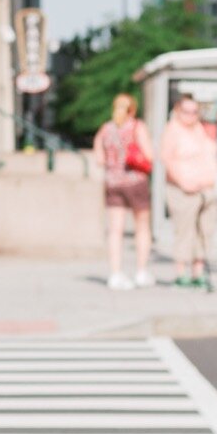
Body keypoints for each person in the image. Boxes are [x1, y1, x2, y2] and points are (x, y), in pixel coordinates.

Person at [92, 92, 155, 291]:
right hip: (135, 181)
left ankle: (115, 273)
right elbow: (149, 155)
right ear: (132, 109)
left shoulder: (105, 129)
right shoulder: (137, 127)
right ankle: (141, 271)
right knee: (142, 227)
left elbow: (99, 159)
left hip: (112, 183)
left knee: (115, 230)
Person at [160, 92, 217, 290]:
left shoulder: (200, 129)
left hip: (206, 189)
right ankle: (181, 272)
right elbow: (167, 160)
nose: (191, 115)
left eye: (195, 112)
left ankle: (198, 271)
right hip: (184, 189)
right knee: (184, 231)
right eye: (187, 111)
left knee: (204, 231)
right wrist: (184, 182)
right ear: (178, 110)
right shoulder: (172, 130)